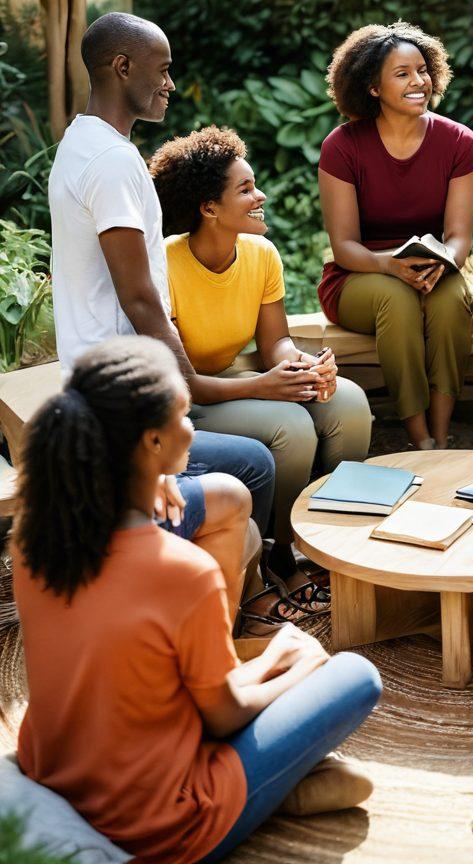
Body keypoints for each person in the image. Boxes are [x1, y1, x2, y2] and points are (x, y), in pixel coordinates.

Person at [13, 336, 382, 864]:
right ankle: (276, 788)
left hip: (59, 778)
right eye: (185, 417)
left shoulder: (35, 539)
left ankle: (284, 779)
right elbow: (221, 718)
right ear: (150, 443)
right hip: (162, 823)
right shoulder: (184, 573)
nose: (194, 429)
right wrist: (292, 660)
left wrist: (147, 481)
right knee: (354, 676)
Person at [47, 12, 275, 542]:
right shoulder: (110, 161)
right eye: (163, 69)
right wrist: (186, 385)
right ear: (123, 67)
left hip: (98, 387)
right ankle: (252, 600)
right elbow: (140, 297)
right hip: (122, 404)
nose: (171, 83)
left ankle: (249, 584)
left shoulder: (81, 144)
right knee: (256, 467)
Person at [149, 124, 372, 587]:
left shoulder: (261, 254)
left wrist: (301, 365)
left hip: (238, 376)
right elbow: (184, 384)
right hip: (192, 398)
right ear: (209, 208)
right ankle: (278, 550)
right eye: (246, 189)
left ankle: (337, 535)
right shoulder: (164, 265)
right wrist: (266, 385)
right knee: (290, 428)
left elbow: (275, 343)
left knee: (349, 404)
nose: (260, 196)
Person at [318, 21, 473, 450]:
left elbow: (459, 236)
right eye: (402, 73)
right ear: (372, 87)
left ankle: (441, 436)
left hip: (434, 265)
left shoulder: (460, 142)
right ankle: (419, 437)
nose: (418, 82)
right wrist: (388, 265)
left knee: (448, 300)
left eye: (423, 70)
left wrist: (443, 265)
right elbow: (345, 246)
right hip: (359, 274)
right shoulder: (343, 146)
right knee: (397, 298)